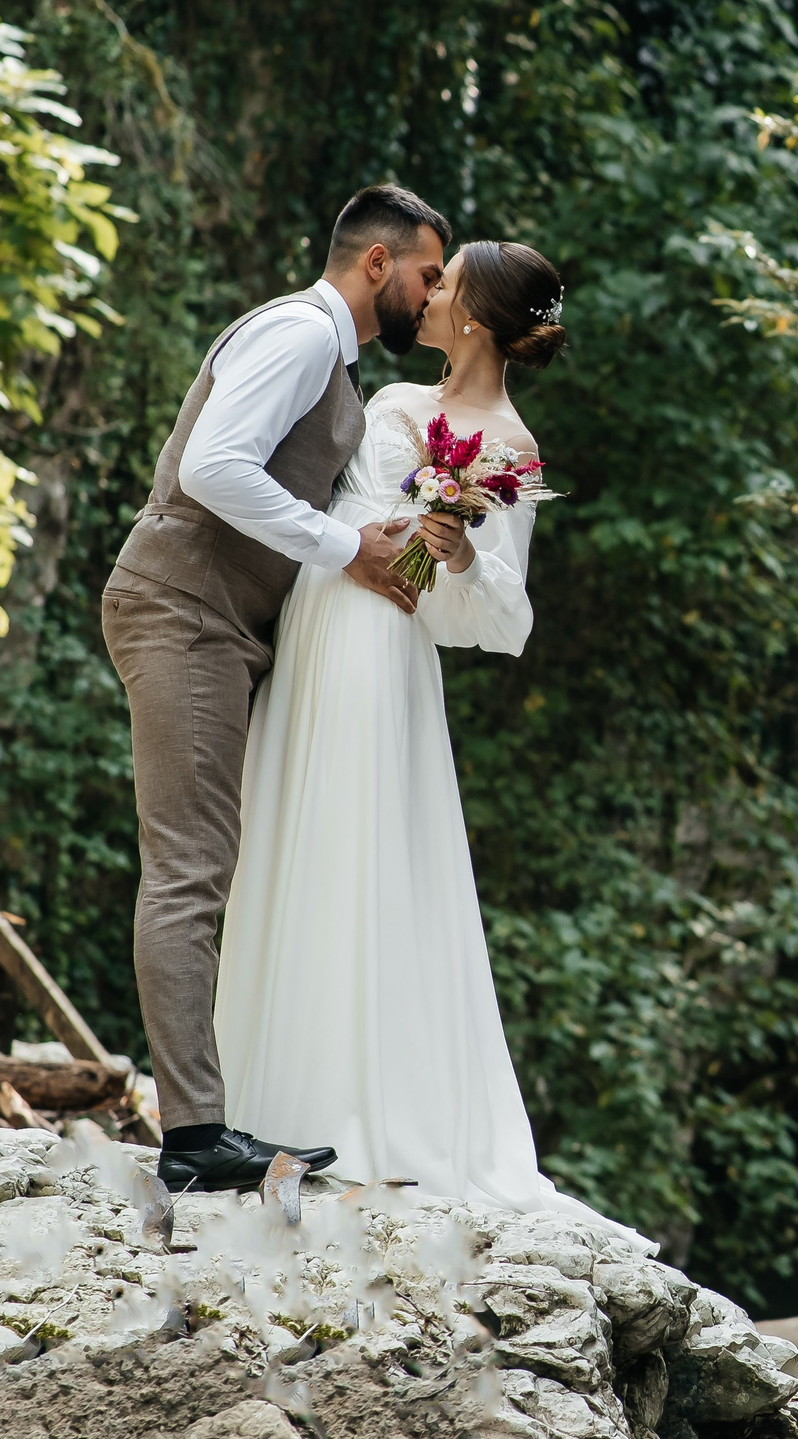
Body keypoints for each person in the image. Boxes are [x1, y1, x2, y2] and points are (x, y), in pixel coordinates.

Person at [212, 239, 613, 1220]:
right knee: (288, 849)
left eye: (444, 286)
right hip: (317, 628)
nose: (425, 296)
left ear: (473, 317)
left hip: (384, 656)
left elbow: (502, 623)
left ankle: (356, 1116)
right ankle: (256, 1109)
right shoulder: (392, 401)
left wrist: (461, 554)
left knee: (359, 862)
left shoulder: (508, 450)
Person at [102, 183, 449, 1194]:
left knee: (208, 865)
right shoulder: (301, 334)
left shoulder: (327, 361)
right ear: (376, 264)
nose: (432, 297)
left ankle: (213, 1120)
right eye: (427, 274)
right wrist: (344, 548)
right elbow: (213, 468)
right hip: (182, 611)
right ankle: (195, 1140)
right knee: (187, 871)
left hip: (217, 624)